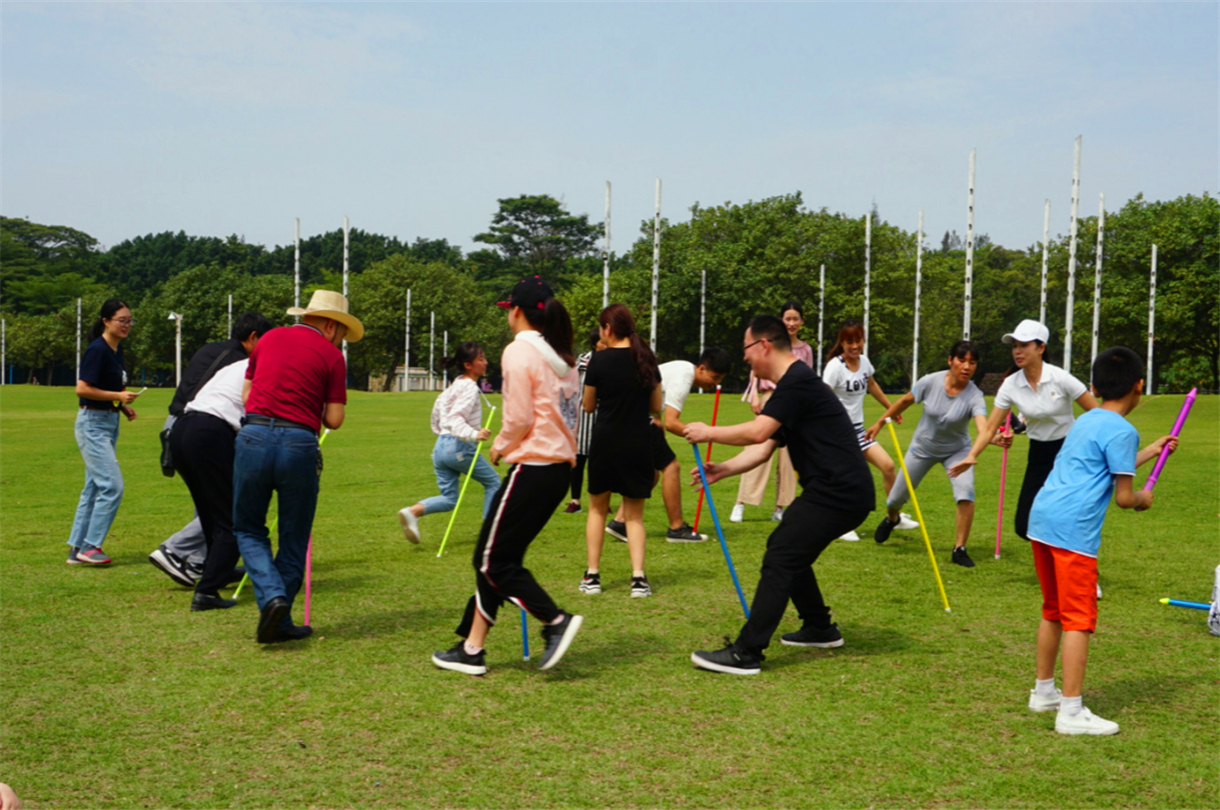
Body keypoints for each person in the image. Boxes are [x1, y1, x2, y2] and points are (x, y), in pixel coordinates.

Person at [684, 315, 875, 674]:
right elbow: (765, 446)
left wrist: (709, 432)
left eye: (746, 350)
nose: (745, 360)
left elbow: (758, 432)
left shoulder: (797, 383)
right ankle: (820, 628)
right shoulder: (795, 385)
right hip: (837, 491)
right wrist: (722, 469)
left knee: (782, 553)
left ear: (763, 346)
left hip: (840, 492)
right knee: (790, 548)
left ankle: (747, 652)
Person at [431, 276, 584, 675]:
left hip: (532, 467)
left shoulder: (519, 352)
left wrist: (499, 445)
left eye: (508, 310)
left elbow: (518, 418)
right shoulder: (563, 356)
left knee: (491, 560)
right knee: (497, 557)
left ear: (515, 310)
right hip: (557, 470)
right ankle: (472, 648)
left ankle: (555, 620)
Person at [1024, 347, 1176, 735]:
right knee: (1078, 619)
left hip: (1042, 520)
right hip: (1073, 532)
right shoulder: (1123, 429)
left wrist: (1152, 452)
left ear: (1094, 385)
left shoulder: (1088, 419)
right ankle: (1071, 711)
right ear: (1139, 386)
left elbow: (1108, 463)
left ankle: (1044, 693)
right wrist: (1143, 499)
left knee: (1053, 610)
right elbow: (1125, 497)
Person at [232, 290, 360, 644]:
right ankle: (279, 606)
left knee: (247, 527)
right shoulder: (332, 357)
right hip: (299, 443)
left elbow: (246, 395)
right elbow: (334, 419)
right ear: (331, 325)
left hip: (254, 435)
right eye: (342, 334)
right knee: (294, 535)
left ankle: (273, 604)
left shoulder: (268, 338)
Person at [149, 312, 273, 587]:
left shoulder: (211, 349)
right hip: (209, 426)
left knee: (209, 501)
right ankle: (178, 552)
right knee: (228, 506)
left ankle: (213, 564)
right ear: (253, 337)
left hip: (181, 422)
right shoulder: (244, 362)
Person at [948, 319, 1099, 545]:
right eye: (1015, 345)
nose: (1017, 351)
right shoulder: (1010, 384)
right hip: (1038, 453)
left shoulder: (1060, 378)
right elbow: (989, 428)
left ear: (1041, 348)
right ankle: (1059, 555)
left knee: (1065, 516)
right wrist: (971, 456)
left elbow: (1098, 413)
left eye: (1024, 345)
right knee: (1024, 525)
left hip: (1069, 451)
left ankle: (1073, 567)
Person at [865, 341, 990, 567]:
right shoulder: (930, 382)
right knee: (895, 498)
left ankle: (959, 548)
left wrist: (974, 452)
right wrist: (879, 424)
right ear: (950, 360)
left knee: (966, 491)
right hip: (922, 448)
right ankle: (892, 519)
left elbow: (983, 428)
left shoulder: (975, 395)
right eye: (962, 360)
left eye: (972, 362)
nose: (967, 367)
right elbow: (904, 401)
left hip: (957, 451)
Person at [604, 347, 731, 543]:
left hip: (630, 417)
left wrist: (657, 419)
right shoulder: (684, 376)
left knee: (651, 472)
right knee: (671, 466)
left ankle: (620, 523)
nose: (716, 384)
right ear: (702, 369)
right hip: (635, 419)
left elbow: (654, 395)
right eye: (715, 377)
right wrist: (704, 434)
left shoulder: (681, 368)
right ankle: (677, 529)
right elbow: (672, 422)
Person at [581, 303, 663, 597]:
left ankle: (592, 576)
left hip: (605, 441)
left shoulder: (598, 362)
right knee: (635, 516)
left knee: (597, 509)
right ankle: (638, 579)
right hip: (639, 442)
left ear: (608, 329)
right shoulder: (647, 359)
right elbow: (656, 406)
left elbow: (588, 406)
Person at [170, 352, 263, 611]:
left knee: (212, 515)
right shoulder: (265, 366)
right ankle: (207, 591)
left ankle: (218, 571)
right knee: (234, 520)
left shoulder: (239, 364)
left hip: (183, 429)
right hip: (209, 432)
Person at [821, 318, 916, 541]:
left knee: (888, 465)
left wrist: (891, 408)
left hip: (860, 431)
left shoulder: (864, 362)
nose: (854, 346)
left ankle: (895, 516)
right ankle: (842, 525)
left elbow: (872, 385)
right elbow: (822, 396)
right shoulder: (834, 367)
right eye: (849, 342)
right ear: (842, 343)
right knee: (847, 479)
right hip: (838, 433)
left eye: (858, 340)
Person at [397, 341, 500, 543]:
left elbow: (437, 411)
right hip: (459, 446)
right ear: (468, 364)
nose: (486, 362)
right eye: (481, 359)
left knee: (450, 499)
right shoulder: (469, 387)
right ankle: (490, 534)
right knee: (493, 483)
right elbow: (455, 418)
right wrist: (473, 434)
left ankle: (413, 512)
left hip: (441, 448)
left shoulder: (454, 385)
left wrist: (442, 433)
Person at [67, 298, 141, 566]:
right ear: (105, 321)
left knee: (94, 487)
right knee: (112, 486)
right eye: (122, 320)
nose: (126, 325)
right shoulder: (97, 350)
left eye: (129, 321)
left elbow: (106, 388)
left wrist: (121, 406)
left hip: (108, 421)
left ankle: (76, 549)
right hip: (93, 423)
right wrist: (118, 396)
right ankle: (90, 546)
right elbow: (82, 388)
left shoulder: (115, 349)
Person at [729, 301, 812, 524]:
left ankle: (781, 506)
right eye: (788, 318)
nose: (792, 323)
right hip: (770, 399)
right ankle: (741, 503)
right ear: (781, 321)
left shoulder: (805, 350)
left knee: (788, 458)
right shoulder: (770, 344)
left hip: (793, 405)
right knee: (757, 448)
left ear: (802, 321)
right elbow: (756, 368)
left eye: (796, 319)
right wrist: (754, 394)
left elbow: (807, 379)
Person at [563, 328, 605, 514]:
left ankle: (602, 501)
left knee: (600, 461)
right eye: (602, 342)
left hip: (603, 415)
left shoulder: (610, 360)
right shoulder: (583, 360)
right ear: (595, 343)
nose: (605, 345)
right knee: (579, 459)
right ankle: (575, 501)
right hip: (582, 416)